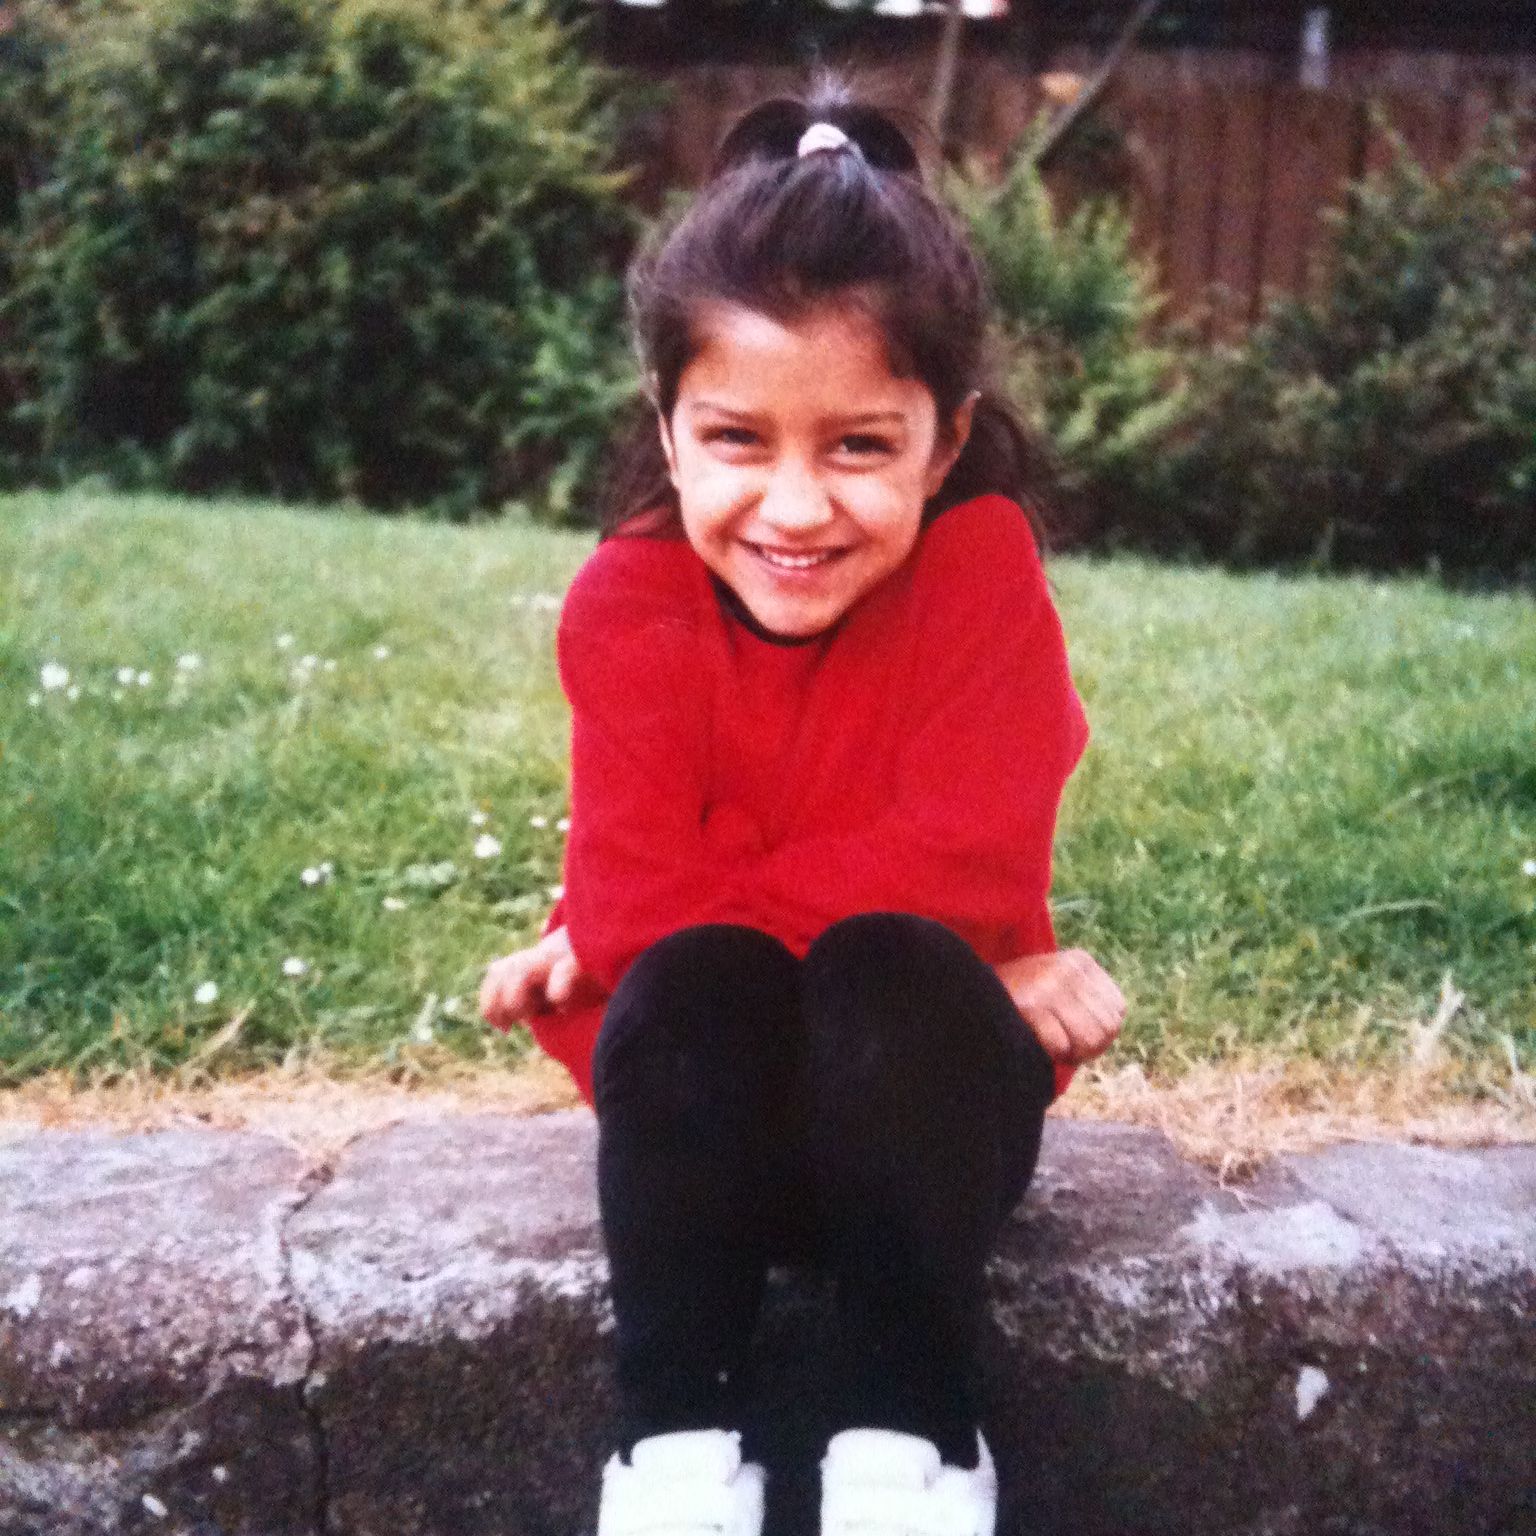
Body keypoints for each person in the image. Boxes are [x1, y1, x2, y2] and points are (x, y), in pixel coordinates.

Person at [480, 81, 1126, 1536]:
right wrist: (625, 925)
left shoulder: (981, 579)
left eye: (857, 446)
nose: (794, 507)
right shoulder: (631, 599)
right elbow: (651, 917)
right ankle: (674, 1461)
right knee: (704, 981)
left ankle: (910, 1454)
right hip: (699, 1125)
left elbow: (956, 865)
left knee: (892, 970)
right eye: (738, 439)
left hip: (920, 1118)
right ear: (668, 422)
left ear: (943, 443)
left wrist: (652, 913)